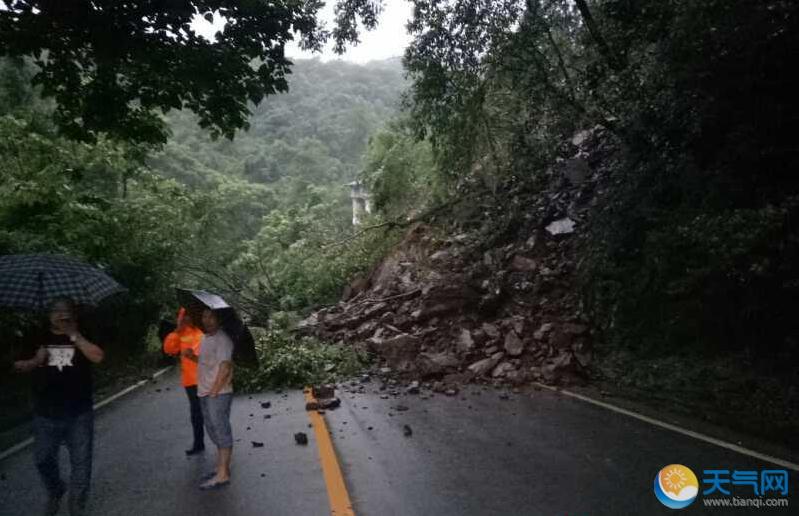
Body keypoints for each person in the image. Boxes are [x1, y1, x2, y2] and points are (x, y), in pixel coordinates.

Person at [13, 298, 104, 516]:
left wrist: (75, 335)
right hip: (46, 411)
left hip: (79, 411)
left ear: (74, 314)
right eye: (55, 310)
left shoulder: (83, 332)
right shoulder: (36, 336)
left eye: (66, 311)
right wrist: (35, 361)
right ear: (48, 314)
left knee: (81, 462)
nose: (61, 315)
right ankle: (56, 490)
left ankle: (77, 506)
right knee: (42, 459)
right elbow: (17, 366)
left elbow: (98, 357)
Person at [197, 307, 235, 490]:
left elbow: (225, 366)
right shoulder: (206, 338)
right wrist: (191, 357)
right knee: (212, 430)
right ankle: (222, 466)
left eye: (211, 316)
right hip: (205, 392)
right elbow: (208, 363)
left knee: (221, 430)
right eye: (204, 316)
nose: (207, 320)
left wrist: (214, 391)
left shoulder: (223, 339)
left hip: (218, 393)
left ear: (219, 319)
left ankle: (223, 474)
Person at [162, 308, 205, 455]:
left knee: (214, 413)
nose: (187, 318)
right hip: (191, 380)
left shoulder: (204, 330)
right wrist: (177, 331)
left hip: (208, 377)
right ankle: (198, 443)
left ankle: (223, 443)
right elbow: (169, 349)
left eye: (189, 315)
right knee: (196, 412)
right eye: (184, 316)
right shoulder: (181, 333)